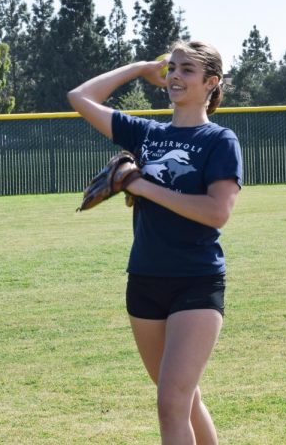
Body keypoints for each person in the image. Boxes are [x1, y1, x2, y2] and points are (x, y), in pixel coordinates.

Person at [68, 40, 243, 445]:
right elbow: (80, 97)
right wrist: (141, 67)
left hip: (195, 281)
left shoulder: (219, 140)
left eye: (187, 71)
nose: (175, 77)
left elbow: (217, 212)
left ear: (211, 83)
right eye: (172, 68)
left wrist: (141, 185)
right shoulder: (147, 132)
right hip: (145, 279)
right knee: (184, 398)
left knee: (171, 402)